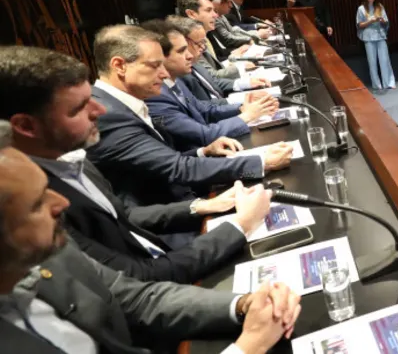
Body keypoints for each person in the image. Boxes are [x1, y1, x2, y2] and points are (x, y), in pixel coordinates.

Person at [0, 123, 302, 354]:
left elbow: (139, 298)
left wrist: (242, 305)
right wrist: (247, 348)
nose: (61, 204)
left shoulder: (49, 252)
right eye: (37, 203)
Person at [0, 47, 270, 283]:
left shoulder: (70, 157)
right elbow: (139, 279)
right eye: (79, 108)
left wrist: (201, 206)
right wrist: (239, 226)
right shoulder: (28, 201)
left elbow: (122, 215)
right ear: (25, 126)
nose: (99, 111)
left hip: (165, 251)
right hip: (164, 277)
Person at [86, 25, 293, 207]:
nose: (164, 74)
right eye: (154, 65)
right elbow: (176, 169)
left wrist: (203, 152)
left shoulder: (121, 102)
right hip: (171, 218)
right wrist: (260, 162)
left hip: (181, 201)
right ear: (120, 66)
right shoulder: (106, 114)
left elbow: (162, 161)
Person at [143, 21, 276, 152]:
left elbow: (205, 110)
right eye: (181, 51)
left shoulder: (175, 81)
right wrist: (247, 116)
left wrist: (242, 108)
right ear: (159, 58)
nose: (189, 56)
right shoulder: (155, 96)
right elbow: (203, 135)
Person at [170, 16, 268, 102]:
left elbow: (213, 81)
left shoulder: (193, 61)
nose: (203, 48)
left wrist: (247, 83)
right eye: (198, 43)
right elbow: (203, 107)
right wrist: (243, 103)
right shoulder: (179, 72)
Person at [355, 0, 395, 91]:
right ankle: (377, 84)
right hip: (368, 37)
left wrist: (382, 20)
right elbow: (359, 25)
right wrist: (370, 21)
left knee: (384, 59)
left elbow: (386, 22)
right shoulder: (361, 8)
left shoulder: (379, 6)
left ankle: (388, 82)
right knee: (372, 62)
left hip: (380, 35)